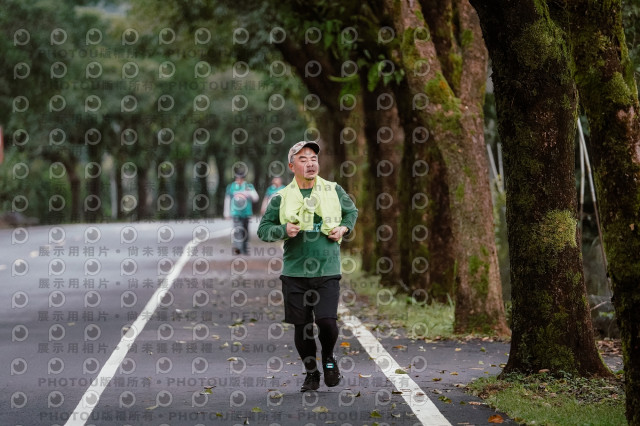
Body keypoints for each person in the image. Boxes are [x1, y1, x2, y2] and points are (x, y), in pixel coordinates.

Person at [257, 141, 358, 392]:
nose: (310, 163)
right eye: (303, 159)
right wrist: (283, 230)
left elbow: (351, 212)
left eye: (313, 158)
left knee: (327, 322)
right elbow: (263, 230)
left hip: (327, 270)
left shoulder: (333, 190)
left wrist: (343, 228)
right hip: (295, 272)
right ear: (292, 166)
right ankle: (312, 373)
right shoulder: (281, 198)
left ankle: (329, 358)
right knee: (302, 328)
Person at [224, 167, 259, 255]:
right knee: (237, 231)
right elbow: (227, 200)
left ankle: (244, 248)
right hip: (235, 213)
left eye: (240, 178)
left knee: (245, 231)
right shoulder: (231, 187)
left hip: (246, 213)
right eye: (237, 178)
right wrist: (226, 213)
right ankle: (237, 249)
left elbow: (256, 198)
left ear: (243, 179)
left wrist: (249, 192)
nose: (238, 180)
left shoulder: (248, 186)